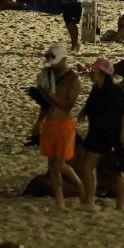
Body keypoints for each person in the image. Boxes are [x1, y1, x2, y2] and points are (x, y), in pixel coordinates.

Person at [76, 58, 124, 212]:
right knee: (92, 168)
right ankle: (91, 200)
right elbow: (90, 104)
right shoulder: (97, 89)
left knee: (110, 171)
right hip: (96, 134)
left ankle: (95, 201)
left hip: (109, 136)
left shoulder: (113, 91)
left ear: (102, 74)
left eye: (94, 71)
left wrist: (121, 136)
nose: (91, 73)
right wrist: (83, 112)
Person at [34, 45, 83, 210]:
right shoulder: (48, 75)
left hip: (64, 125)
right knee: (53, 168)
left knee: (58, 166)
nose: (52, 65)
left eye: (54, 61)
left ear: (65, 59)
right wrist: (39, 122)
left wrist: (50, 95)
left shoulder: (73, 79)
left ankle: (80, 186)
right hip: (50, 124)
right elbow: (45, 106)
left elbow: (67, 106)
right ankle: (60, 203)